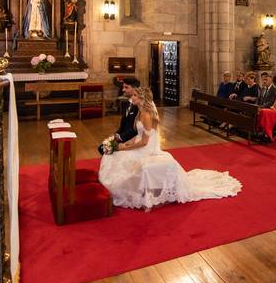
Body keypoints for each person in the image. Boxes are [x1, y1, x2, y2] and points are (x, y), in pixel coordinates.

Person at [98, 88, 241, 209]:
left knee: (120, 157)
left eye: (135, 95)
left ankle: (129, 191)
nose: (132, 97)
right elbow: (138, 137)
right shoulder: (140, 112)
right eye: (133, 95)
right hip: (141, 145)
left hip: (147, 149)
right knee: (116, 155)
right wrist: (127, 144)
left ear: (142, 98)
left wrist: (123, 148)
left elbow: (144, 142)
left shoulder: (146, 115)